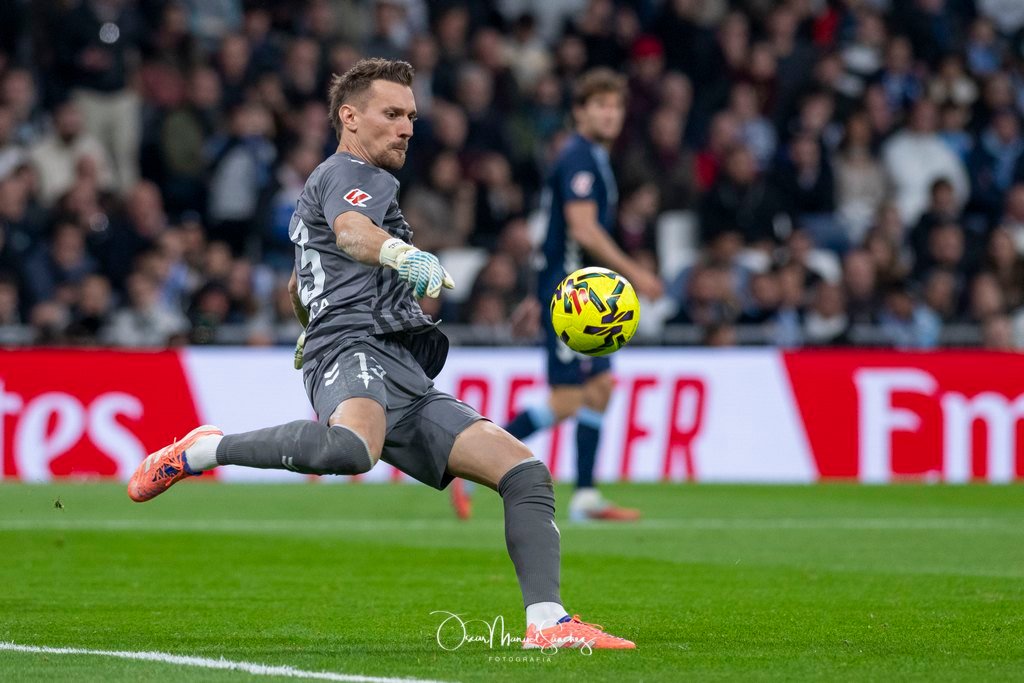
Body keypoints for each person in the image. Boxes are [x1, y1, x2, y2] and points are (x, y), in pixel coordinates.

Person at [126, 58, 634, 651]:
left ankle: (547, 622)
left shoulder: (337, 180)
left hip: (398, 365)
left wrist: (310, 321)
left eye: (411, 116)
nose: (407, 128)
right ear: (349, 117)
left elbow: (297, 282)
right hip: (352, 346)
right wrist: (401, 256)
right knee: (352, 449)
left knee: (525, 473)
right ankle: (203, 450)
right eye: (392, 114)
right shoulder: (352, 173)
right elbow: (350, 232)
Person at [449, 68, 663, 523]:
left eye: (616, 106)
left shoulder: (590, 157)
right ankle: (469, 461)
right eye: (600, 105)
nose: (610, 114)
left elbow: (554, 233)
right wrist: (636, 274)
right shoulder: (580, 159)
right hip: (574, 301)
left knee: (600, 389)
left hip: (572, 291)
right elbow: (583, 229)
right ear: (579, 112)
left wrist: (536, 293)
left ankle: (586, 497)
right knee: (567, 399)